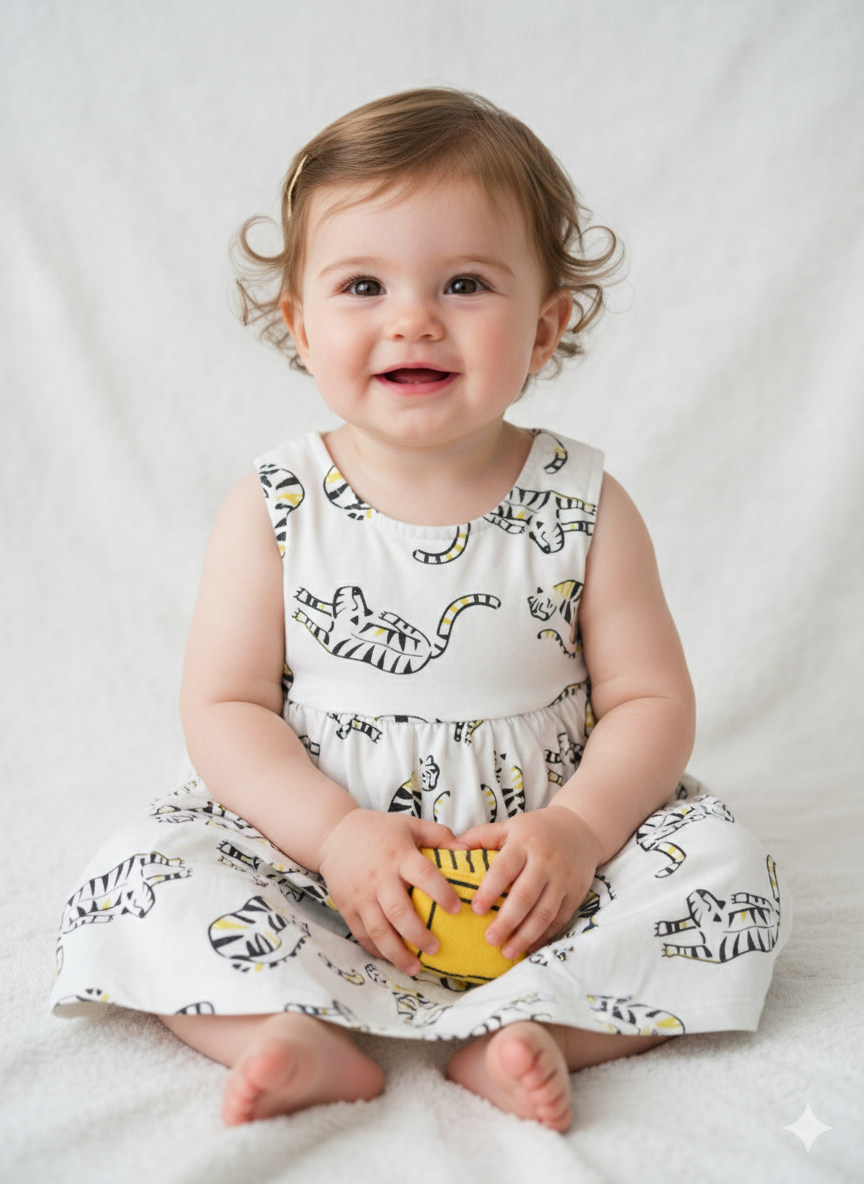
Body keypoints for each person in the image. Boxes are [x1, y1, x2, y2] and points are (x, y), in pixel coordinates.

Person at [51, 89, 789, 1133]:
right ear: (301, 325)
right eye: (364, 285)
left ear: (545, 327)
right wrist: (333, 836)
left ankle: (538, 1029)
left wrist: (579, 831)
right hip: (318, 856)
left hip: (539, 869)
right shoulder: (276, 504)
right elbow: (225, 707)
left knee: (728, 876)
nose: (414, 319)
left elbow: (650, 700)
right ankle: (284, 1027)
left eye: (465, 283)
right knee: (146, 874)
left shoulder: (585, 503)